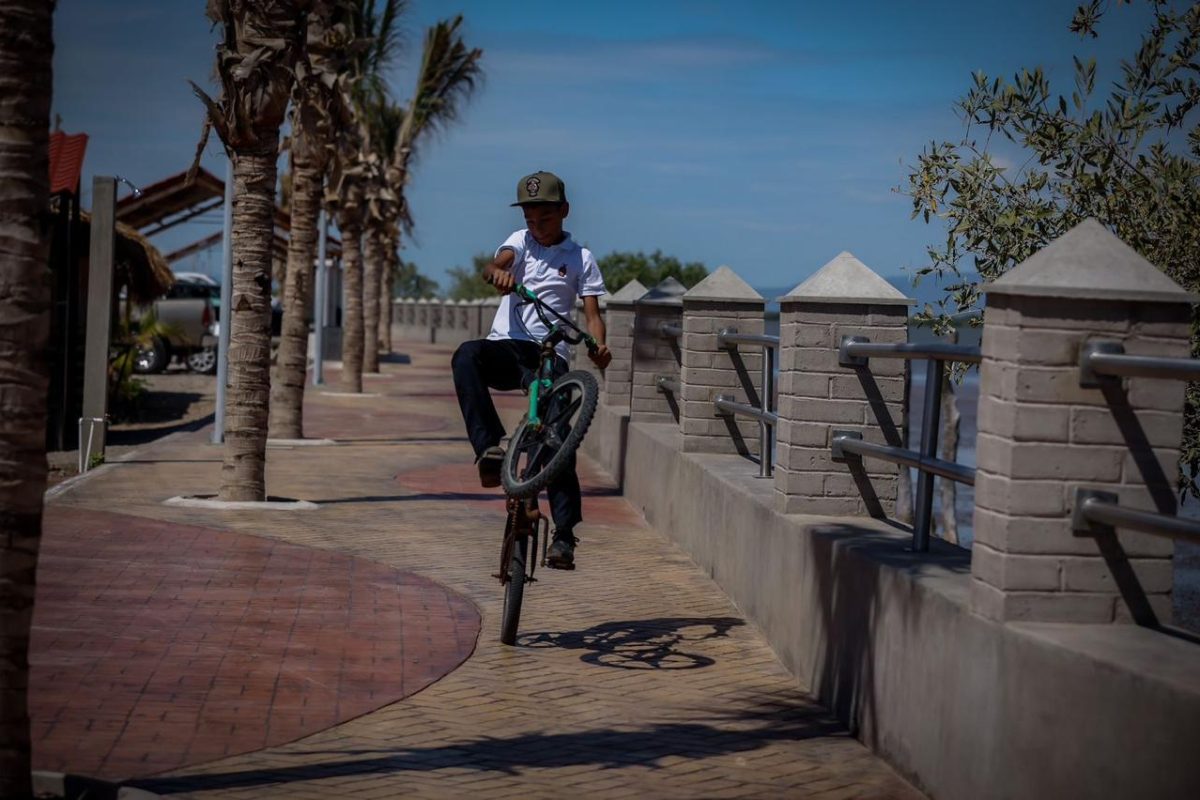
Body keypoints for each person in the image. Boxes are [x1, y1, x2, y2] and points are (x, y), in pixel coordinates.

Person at [451, 171, 611, 569]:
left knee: (557, 440)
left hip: (551, 354)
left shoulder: (580, 259)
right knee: (466, 356)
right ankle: (488, 448)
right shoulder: (519, 243)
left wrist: (599, 346)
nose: (536, 228)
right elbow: (494, 266)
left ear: (565, 211)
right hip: (509, 347)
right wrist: (500, 274)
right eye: (530, 220)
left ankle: (564, 535)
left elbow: (592, 314)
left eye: (545, 219)